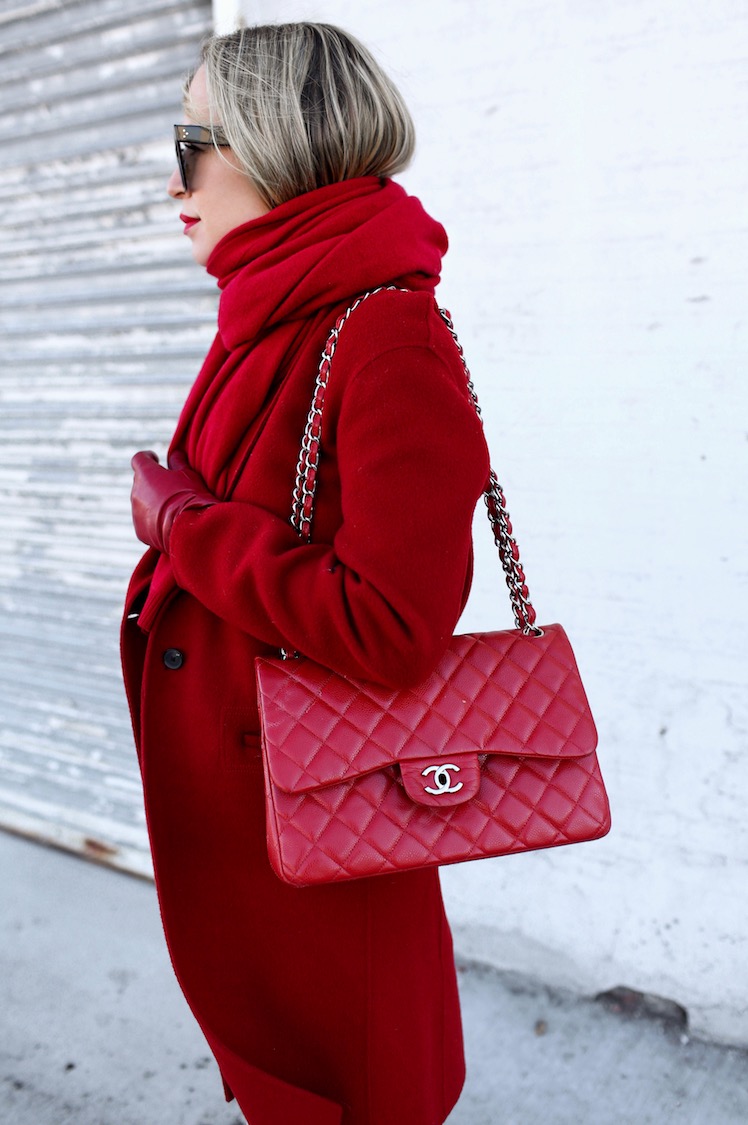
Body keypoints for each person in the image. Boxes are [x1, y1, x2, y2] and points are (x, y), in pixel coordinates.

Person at [122, 22, 489, 1125]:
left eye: (193, 140)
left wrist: (180, 524)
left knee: (350, 1086)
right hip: (254, 816)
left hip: (325, 822)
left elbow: (392, 625)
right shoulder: (275, 305)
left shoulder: (386, 337)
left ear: (275, 144)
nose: (173, 176)